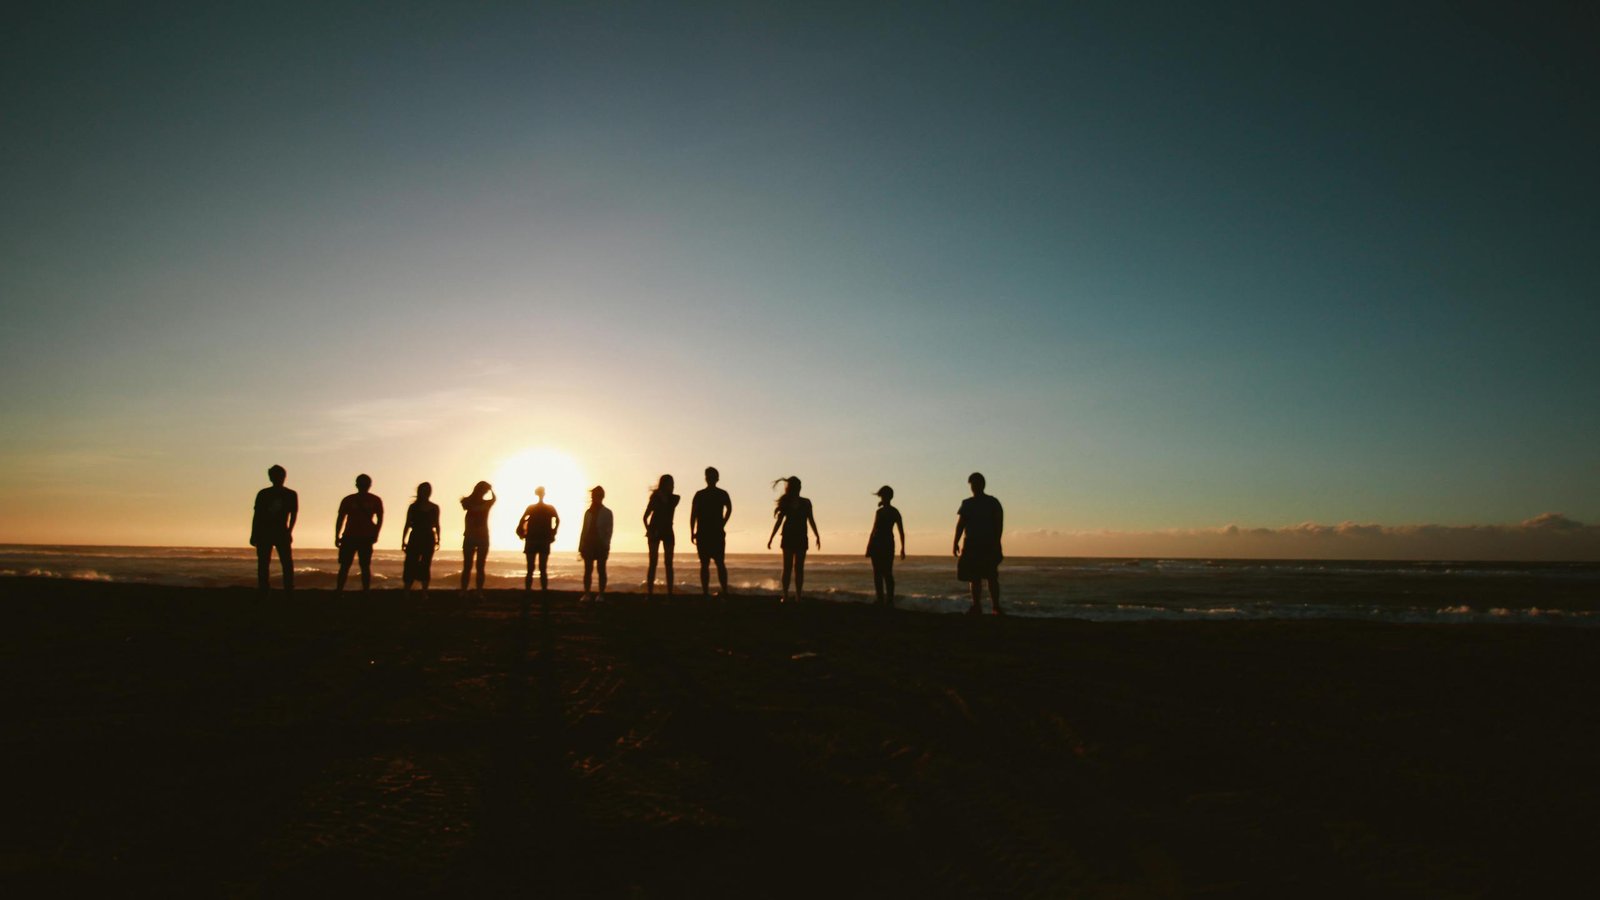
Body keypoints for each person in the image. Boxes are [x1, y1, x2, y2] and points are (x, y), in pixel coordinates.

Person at [953, 472, 1004, 615]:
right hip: (972, 544)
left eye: (975, 484)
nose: (973, 487)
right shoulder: (967, 503)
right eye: (972, 485)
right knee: (974, 577)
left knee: (991, 576)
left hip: (988, 544)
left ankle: (995, 607)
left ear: (982, 485)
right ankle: (977, 606)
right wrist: (955, 542)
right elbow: (961, 524)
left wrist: (997, 542)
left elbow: (998, 524)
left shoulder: (992, 502)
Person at [766, 476, 820, 602]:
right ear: (795, 487)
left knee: (797, 568)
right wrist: (771, 537)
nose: (800, 487)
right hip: (790, 536)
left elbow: (811, 519)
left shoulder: (806, 502)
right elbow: (779, 521)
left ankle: (796, 596)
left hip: (800, 537)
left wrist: (817, 535)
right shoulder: (788, 502)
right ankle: (787, 595)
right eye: (799, 485)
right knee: (789, 568)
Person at [251, 464, 298, 594]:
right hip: (269, 531)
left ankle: (285, 587)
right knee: (268, 562)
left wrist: (289, 531)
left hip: (278, 531)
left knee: (281, 562)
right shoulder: (266, 494)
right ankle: (268, 588)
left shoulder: (288, 494)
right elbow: (257, 515)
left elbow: (293, 515)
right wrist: (254, 533)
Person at [335, 474, 384, 592]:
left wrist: (337, 535)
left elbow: (340, 519)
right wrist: (376, 533)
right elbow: (380, 519)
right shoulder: (371, 500)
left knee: (353, 566)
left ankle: (343, 591)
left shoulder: (351, 499)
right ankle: (359, 591)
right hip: (354, 536)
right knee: (357, 566)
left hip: (357, 537)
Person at [690, 466, 733, 598]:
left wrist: (692, 531)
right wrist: (723, 522)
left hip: (709, 533)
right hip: (709, 532)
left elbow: (693, 515)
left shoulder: (703, 494)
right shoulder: (715, 494)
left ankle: (709, 592)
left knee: (710, 564)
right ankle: (719, 591)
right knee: (715, 563)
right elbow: (729, 508)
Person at [866, 485, 906, 607]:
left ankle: (889, 599)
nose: (882, 498)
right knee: (877, 573)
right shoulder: (879, 512)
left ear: (889, 497)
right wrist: (869, 545)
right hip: (877, 543)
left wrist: (903, 548)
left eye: (884, 496)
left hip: (887, 544)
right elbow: (873, 529)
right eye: (882, 496)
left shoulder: (894, 512)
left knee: (887, 572)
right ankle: (881, 599)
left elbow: (901, 531)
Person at [516, 486, 560, 592]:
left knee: (530, 568)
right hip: (543, 539)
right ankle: (543, 590)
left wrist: (521, 531)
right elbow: (557, 520)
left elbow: (522, 520)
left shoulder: (532, 508)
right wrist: (553, 532)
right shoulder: (549, 508)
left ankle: (529, 590)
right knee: (542, 568)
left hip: (532, 539)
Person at [401, 482, 441, 598]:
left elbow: (437, 524)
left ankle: (424, 591)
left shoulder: (434, 507)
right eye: (424, 490)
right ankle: (407, 590)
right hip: (415, 536)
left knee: (425, 564)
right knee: (410, 563)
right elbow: (407, 524)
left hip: (428, 537)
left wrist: (438, 539)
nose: (426, 492)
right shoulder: (413, 507)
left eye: (428, 490)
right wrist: (403, 540)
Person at [643, 474, 679, 598]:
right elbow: (645, 517)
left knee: (669, 563)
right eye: (671, 484)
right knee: (653, 562)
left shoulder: (675, 498)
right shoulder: (655, 499)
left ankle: (670, 593)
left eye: (673, 484)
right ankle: (650, 593)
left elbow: (669, 506)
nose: (673, 487)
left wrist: (661, 497)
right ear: (665, 485)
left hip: (667, 530)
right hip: (655, 530)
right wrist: (649, 530)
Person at [578, 485, 613, 601]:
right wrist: (581, 546)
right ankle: (587, 594)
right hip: (588, 544)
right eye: (593, 496)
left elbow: (609, 531)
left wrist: (606, 545)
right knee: (588, 570)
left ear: (601, 497)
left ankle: (601, 594)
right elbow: (584, 530)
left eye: (596, 496)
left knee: (601, 570)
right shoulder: (588, 512)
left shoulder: (607, 512)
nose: (594, 498)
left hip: (601, 544)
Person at [460, 481, 495, 596]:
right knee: (469, 566)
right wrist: (491, 490)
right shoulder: (472, 502)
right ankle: (467, 591)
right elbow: (493, 499)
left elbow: (494, 499)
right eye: (484, 490)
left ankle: (476, 591)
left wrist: (491, 490)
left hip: (479, 536)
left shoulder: (476, 503)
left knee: (478, 566)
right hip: (473, 535)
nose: (485, 492)